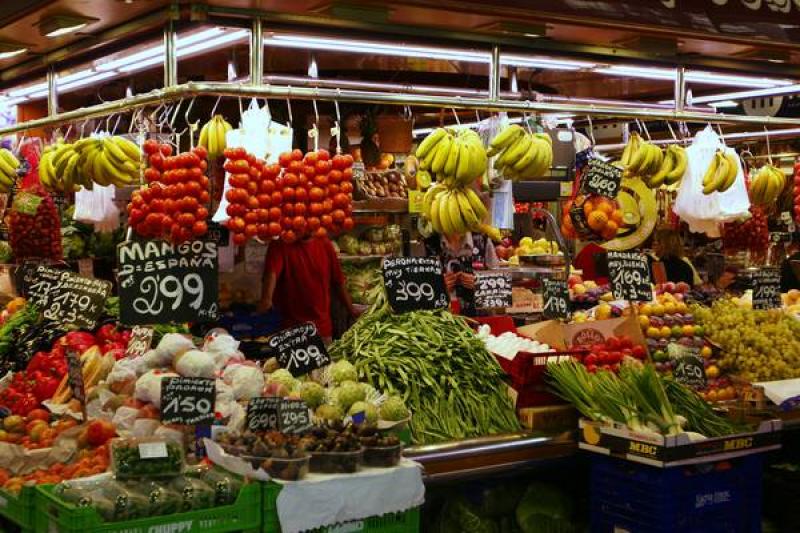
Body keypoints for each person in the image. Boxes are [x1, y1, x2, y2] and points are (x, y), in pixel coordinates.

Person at [259, 236, 357, 343]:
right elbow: (271, 272)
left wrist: (351, 310)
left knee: (324, 358)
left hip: (321, 328)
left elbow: (338, 280)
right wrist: (266, 298)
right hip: (291, 328)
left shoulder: (324, 243)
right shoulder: (281, 243)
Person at [424, 231, 498, 316]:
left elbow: (500, 289)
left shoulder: (482, 241)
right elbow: (417, 295)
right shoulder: (428, 245)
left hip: (481, 322)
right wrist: (437, 287)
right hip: (440, 322)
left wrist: (481, 283)